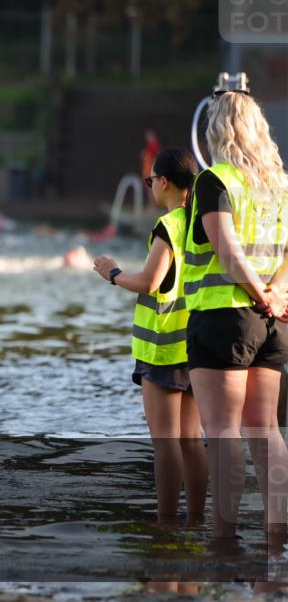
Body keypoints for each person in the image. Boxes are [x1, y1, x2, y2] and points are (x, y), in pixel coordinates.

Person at [182, 91, 288, 540]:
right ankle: (277, 535)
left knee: (223, 430)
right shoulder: (279, 185)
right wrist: (275, 295)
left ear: (216, 131)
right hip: (274, 321)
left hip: (223, 317)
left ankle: (223, 538)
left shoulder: (216, 181)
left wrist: (257, 295)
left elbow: (226, 253)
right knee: (266, 431)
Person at [93, 148, 207, 526]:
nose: (150, 187)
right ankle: (196, 521)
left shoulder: (170, 226)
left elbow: (149, 282)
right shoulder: (203, 221)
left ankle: (166, 523)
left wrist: (111, 272)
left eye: (151, 180)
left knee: (165, 443)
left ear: (164, 182)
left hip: (162, 349)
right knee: (192, 441)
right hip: (197, 343)